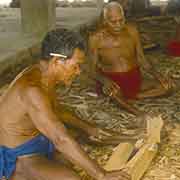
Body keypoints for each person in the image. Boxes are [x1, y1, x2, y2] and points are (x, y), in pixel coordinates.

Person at [0, 28, 130, 180]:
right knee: (70, 178)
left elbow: (56, 110)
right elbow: (60, 139)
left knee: (79, 143)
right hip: (20, 155)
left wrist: (89, 128)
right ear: (57, 61)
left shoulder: (43, 74)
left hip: (39, 141)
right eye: (75, 65)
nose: (78, 72)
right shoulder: (31, 89)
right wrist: (101, 175)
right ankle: (18, 173)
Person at [88, 2, 173, 115]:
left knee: (168, 87)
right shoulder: (95, 39)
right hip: (113, 81)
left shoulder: (132, 31)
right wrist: (105, 81)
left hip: (134, 78)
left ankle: (132, 97)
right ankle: (139, 113)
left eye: (121, 20)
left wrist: (158, 75)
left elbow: (141, 59)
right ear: (105, 21)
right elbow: (91, 70)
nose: (118, 25)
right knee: (113, 93)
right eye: (113, 22)